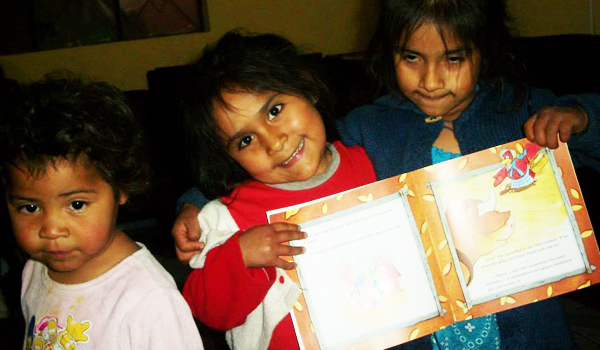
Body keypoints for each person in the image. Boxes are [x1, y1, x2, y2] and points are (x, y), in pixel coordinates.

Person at [174, 1, 600, 349]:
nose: (431, 80)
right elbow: (273, 179)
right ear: (389, 53)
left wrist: (580, 117)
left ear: (484, 52)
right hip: (416, 333)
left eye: (453, 58)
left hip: (528, 326)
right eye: (411, 57)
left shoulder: (523, 110)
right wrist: (191, 206)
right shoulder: (369, 127)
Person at [177, 30, 377, 350]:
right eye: (245, 140)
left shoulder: (373, 163)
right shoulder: (229, 215)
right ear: (230, 158)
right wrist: (239, 255)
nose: (274, 142)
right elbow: (206, 311)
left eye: (274, 110)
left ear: (307, 87)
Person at [0, 73, 204, 350]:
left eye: (76, 204)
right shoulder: (35, 269)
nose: (50, 230)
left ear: (120, 188)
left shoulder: (148, 298)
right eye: (30, 207)